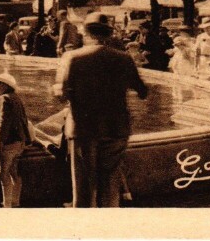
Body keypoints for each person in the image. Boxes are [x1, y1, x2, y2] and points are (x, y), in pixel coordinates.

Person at [53, 12, 148, 207]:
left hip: (83, 128)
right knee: (110, 183)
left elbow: (61, 95)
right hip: (116, 128)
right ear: (109, 34)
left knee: (83, 188)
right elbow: (142, 91)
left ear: (85, 32)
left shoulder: (71, 57)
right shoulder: (124, 58)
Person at [0, 73, 31, 207]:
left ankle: (6, 205)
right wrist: (26, 139)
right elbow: (24, 120)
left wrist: (0, 142)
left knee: (2, 173)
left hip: (9, 142)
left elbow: (3, 122)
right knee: (14, 171)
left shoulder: (4, 99)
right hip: (19, 141)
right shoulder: (16, 98)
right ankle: (15, 201)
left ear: (3, 85)